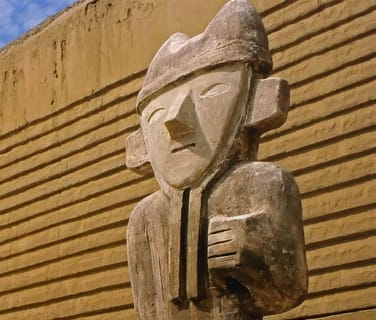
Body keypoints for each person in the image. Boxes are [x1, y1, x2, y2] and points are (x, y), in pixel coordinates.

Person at [124, 1, 307, 319]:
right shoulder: (144, 219)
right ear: (140, 141)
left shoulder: (264, 183)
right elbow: (147, 308)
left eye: (212, 90)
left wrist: (252, 253)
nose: (175, 122)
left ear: (255, 99)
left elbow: (289, 290)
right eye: (156, 113)